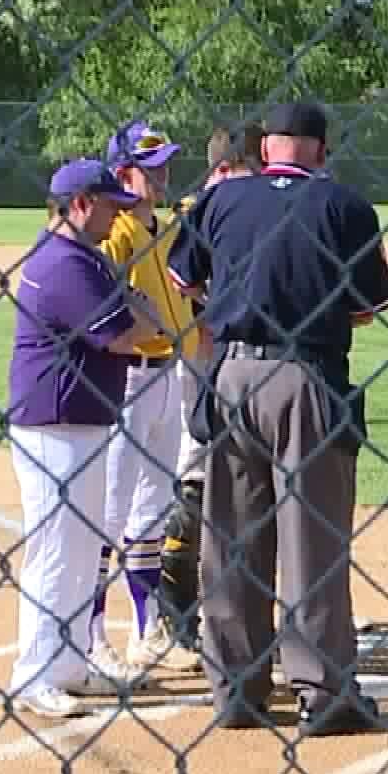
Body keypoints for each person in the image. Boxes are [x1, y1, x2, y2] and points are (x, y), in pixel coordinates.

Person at [165, 100, 388, 737]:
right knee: (311, 538)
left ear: (266, 147)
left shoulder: (220, 200)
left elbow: (186, 283)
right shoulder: (344, 205)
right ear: (319, 149)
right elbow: (368, 307)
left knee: (231, 537)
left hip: (231, 374)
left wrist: (240, 294)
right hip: (308, 376)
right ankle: (322, 694)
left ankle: (236, 690)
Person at [5, 158, 166, 720]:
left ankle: (68, 664)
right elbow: (125, 335)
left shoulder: (77, 257)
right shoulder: (66, 265)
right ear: (78, 205)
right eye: (106, 207)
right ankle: (33, 674)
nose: (113, 218)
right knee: (54, 550)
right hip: (55, 423)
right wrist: (147, 321)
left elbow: (139, 320)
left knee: (78, 550)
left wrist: (144, 318)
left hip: (80, 418)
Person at [91, 119, 203, 677]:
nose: (161, 175)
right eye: (148, 166)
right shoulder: (116, 235)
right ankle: (90, 636)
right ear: (122, 173)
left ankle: (145, 631)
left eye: (163, 165)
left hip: (168, 373)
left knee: (152, 508)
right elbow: (95, 289)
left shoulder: (165, 226)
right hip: (127, 378)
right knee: (108, 510)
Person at [155, 120, 266, 661]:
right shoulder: (196, 213)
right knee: (194, 477)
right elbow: (182, 285)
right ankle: (173, 606)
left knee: (243, 479)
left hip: (232, 359)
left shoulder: (229, 208)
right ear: (226, 169)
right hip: (196, 360)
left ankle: (245, 603)